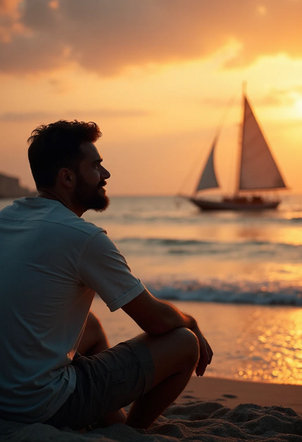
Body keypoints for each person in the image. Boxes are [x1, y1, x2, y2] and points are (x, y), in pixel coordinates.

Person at [0, 120, 212, 431]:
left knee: (93, 326)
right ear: (67, 177)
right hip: (42, 405)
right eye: (96, 166)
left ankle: (115, 425)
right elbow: (156, 321)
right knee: (183, 342)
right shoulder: (81, 237)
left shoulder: (7, 220)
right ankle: (132, 433)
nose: (106, 175)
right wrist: (191, 322)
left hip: (5, 398)